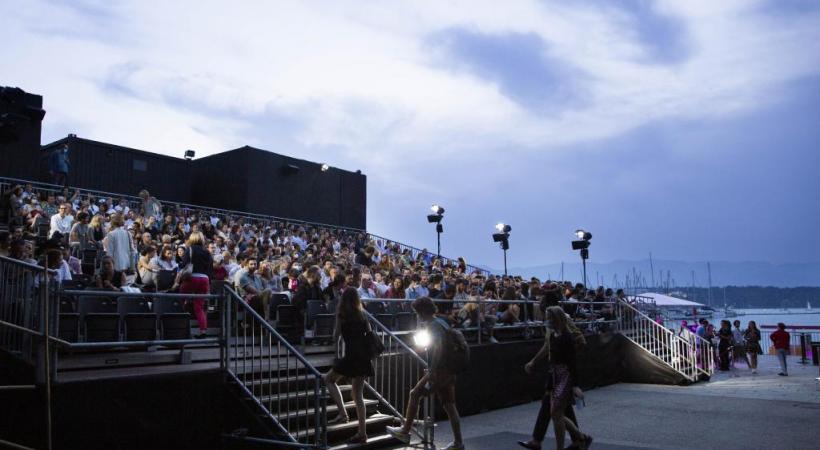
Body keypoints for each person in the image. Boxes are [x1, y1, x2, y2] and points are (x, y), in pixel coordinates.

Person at [387, 296, 464, 450]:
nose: (417, 315)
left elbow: (438, 348)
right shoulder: (442, 322)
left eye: (417, 312)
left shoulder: (433, 326)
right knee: (450, 405)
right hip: (450, 370)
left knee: (414, 394)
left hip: (439, 371)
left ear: (422, 311)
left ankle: (405, 431)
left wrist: (432, 370)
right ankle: (458, 443)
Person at [519, 308, 591, 450]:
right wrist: (535, 362)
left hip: (564, 376)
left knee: (556, 413)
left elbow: (572, 360)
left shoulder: (566, 336)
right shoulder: (553, 334)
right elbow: (548, 348)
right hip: (554, 375)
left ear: (555, 318)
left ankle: (574, 440)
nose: (546, 320)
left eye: (548, 317)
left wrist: (575, 384)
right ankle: (580, 438)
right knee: (557, 412)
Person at [323, 288, 373, 444]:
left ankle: (343, 414)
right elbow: (369, 334)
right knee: (358, 395)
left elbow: (335, 336)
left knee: (329, 380)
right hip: (364, 356)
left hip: (351, 356)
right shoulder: (362, 315)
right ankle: (362, 432)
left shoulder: (342, 315)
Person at [175, 232, 213, 338]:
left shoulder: (190, 249)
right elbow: (210, 269)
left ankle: (180, 325)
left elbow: (184, 264)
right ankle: (203, 331)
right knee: (199, 307)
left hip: (192, 277)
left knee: (179, 298)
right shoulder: (207, 252)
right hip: (204, 279)